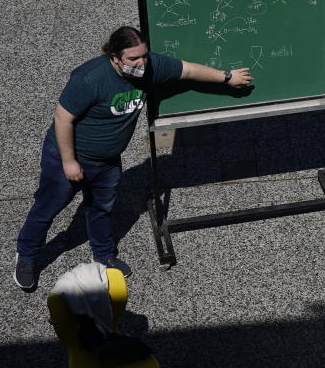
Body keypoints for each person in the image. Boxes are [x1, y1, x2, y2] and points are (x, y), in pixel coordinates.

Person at [14, 26, 253, 290]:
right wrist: (69, 162)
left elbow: (187, 70)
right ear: (114, 57)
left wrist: (226, 77)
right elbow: (62, 118)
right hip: (68, 157)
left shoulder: (150, 66)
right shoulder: (90, 78)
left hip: (108, 162)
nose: (141, 63)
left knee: (102, 207)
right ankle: (26, 255)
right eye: (133, 59)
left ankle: (103, 254)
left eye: (144, 56)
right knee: (47, 207)